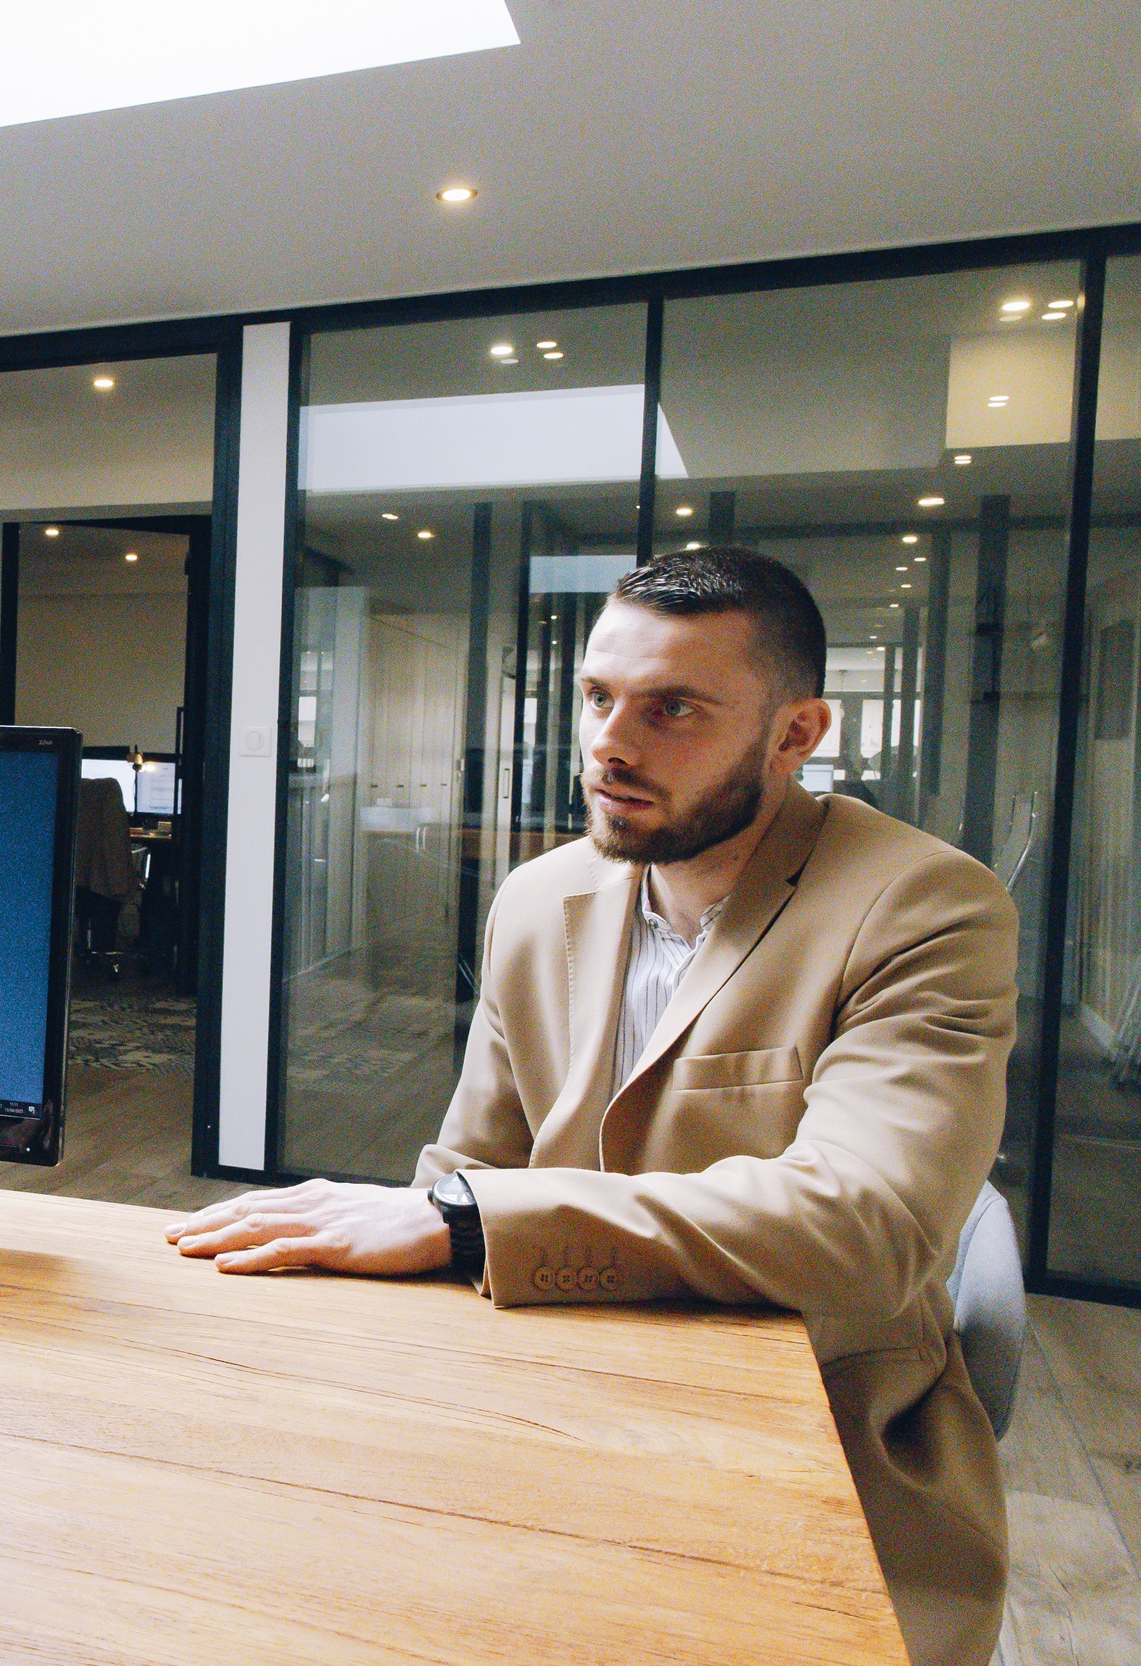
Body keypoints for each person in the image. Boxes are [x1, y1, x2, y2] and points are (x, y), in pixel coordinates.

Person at [165, 549, 1012, 1666]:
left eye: (673, 710)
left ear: (796, 734)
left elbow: (862, 1230)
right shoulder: (539, 897)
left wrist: (473, 1221)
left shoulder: (922, 906)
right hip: (550, 1408)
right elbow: (464, 1166)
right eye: (598, 698)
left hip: (813, 1458)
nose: (611, 742)